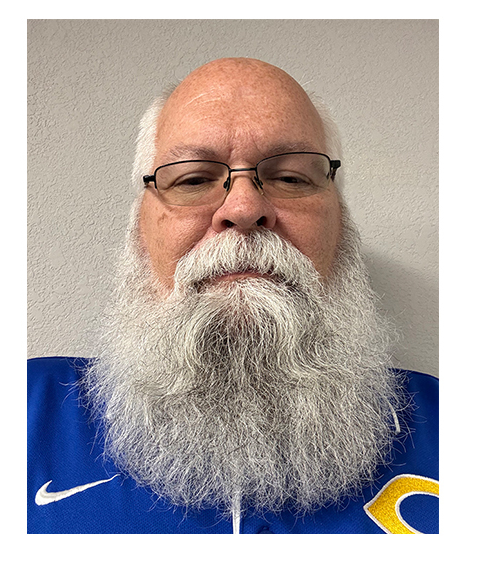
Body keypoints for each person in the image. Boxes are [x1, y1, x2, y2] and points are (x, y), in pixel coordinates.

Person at [26, 58, 438, 534]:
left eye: (290, 178)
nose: (243, 208)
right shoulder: (8, 416)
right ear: (140, 228)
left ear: (340, 223)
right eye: (194, 179)